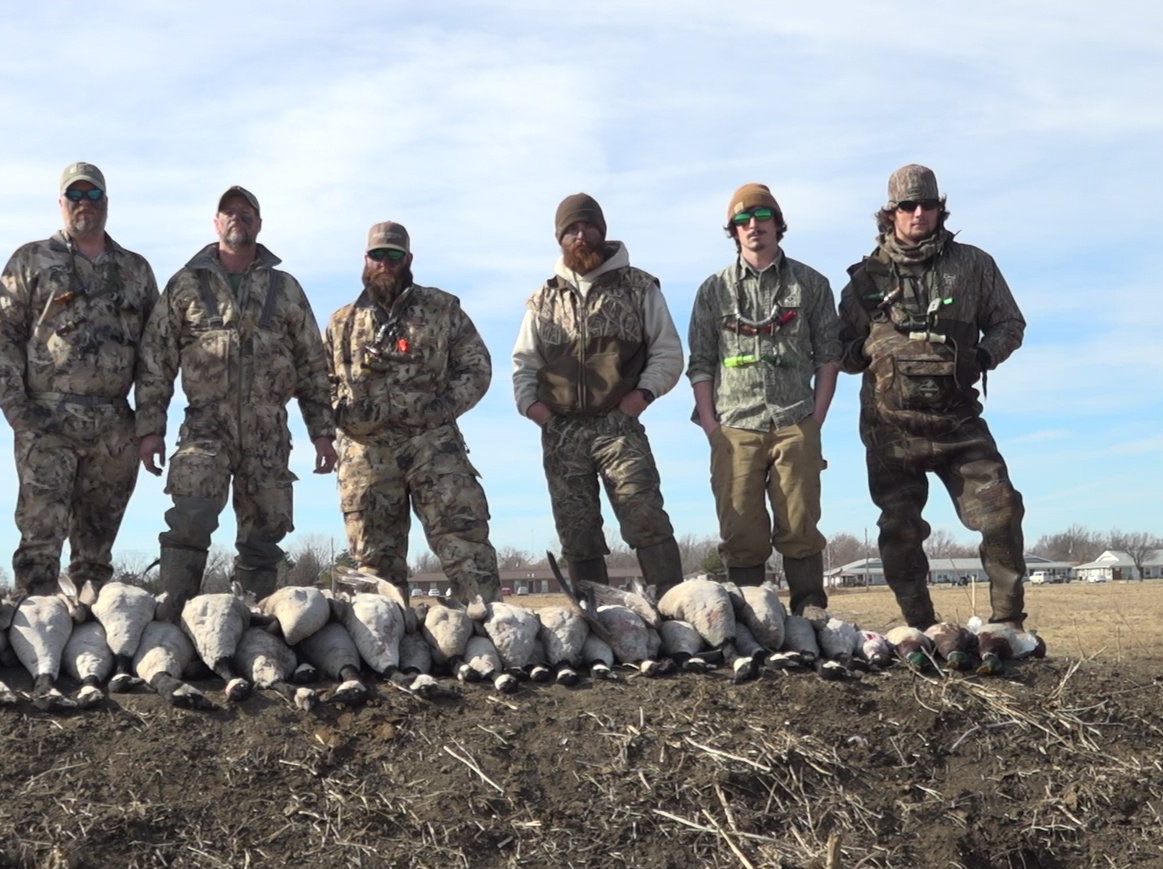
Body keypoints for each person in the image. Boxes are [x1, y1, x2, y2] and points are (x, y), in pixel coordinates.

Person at [838, 164, 1029, 629]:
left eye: (926, 204)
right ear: (891, 214)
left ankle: (1007, 622)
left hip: (958, 421)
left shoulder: (973, 265)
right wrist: (873, 347)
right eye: (907, 206)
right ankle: (922, 630)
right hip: (890, 429)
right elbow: (840, 353)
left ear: (940, 208)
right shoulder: (865, 280)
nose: (917, 213)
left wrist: (983, 355)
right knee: (898, 529)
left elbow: (1010, 324)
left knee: (1001, 509)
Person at [0, 162, 171, 595]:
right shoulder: (30, 260)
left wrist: (149, 427)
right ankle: (33, 636)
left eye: (93, 196)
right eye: (75, 196)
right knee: (40, 537)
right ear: (61, 203)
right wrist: (19, 414)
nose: (83, 205)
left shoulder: (136, 270)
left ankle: (90, 647)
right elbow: (1, 339)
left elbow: (156, 354)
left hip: (113, 425)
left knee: (95, 551)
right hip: (46, 418)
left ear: (106, 203)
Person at [148, 185, 335, 608]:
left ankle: (255, 630)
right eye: (229, 212)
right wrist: (150, 429)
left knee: (263, 535)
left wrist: (322, 433)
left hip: (268, 430)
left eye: (247, 213)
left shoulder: (285, 288)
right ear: (216, 223)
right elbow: (155, 361)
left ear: (259, 224)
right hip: (204, 427)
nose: (238, 218)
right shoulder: (185, 285)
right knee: (189, 521)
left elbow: (312, 364)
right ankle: (174, 618)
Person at [511, 193, 686, 591]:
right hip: (561, 429)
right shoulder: (543, 299)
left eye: (587, 226)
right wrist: (537, 410)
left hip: (618, 425)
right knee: (577, 529)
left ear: (601, 231)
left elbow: (668, 352)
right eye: (570, 229)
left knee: (644, 516)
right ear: (560, 238)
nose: (580, 235)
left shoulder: (639, 287)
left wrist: (640, 397)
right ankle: (597, 613)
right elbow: (524, 363)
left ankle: (675, 608)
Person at [687, 183, 842, 613]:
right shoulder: (712, 290)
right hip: (734, 425)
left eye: (761, 217)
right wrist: (712, 427)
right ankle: (750, 614)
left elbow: (829, 357)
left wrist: (816, 419)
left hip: (795, 421)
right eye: (742, 220)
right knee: (741, 530)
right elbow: (700, 363)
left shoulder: (811, 284)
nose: (752, 226)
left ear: (778, 224)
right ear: (733, 231)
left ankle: (810, 610)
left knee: (800, 522)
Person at [326, 222, 501, 602]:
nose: (385, 264)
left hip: (432, 446)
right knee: (375, 569)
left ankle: (495, 640)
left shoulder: (441, 309)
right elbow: (318, 382)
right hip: (365, 456)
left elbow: (477, 367)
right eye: (378, 255)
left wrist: (441, 408)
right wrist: (343, 416)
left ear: (408, 259)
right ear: (365, 258)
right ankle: (387, 655)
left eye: (393, 255)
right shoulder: (341, 322)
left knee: (465, 544)